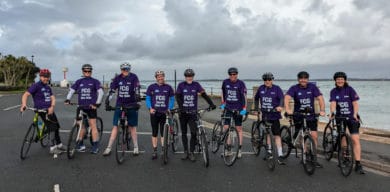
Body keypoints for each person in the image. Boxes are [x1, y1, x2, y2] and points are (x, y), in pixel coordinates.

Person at [284, 71, 326, 168]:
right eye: (301, 78)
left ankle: (313, 157)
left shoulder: (312, 87)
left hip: (311, 115)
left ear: (308, 79)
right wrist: (288, 109)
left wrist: (322, 110)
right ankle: (305, 154)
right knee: (302, 135)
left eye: (305, 78)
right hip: (298, 115)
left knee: (314, 136)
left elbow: (320, 98)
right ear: (298, 79)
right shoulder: (294, 88)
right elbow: (286, 97)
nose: (303, 80)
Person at [20, 69, 66, 154]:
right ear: (40, 77)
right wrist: (23, 104)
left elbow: (52, 98)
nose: (46, 78)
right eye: (44, 77)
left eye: (47, 77)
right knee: (52, 127)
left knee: (56, 126)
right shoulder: (36, 86)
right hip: (41, 110)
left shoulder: (48, 87)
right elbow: (25, 95)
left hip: (49, 109)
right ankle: (53, 148)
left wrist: (52, 106)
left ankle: (59, 145)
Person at [176, 68, 216, 161]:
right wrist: (182, 108)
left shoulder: (196, 85)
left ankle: (192, 152)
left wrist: (211, 104)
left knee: (194, 132)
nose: (189, 78)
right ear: (185, 77)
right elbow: (178, 97)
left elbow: (204, 95)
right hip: (183, 113)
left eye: (191, 76)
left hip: (193, 113)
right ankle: (186, 151)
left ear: (193, 76)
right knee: (184, 133)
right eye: (187, 76)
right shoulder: (181, 85)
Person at [330, 72, 365, 174]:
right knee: (343, 137)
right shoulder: (333, 91)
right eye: (338, 79)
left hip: (351, 117)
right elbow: (333, 103)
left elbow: (355, 104)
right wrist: (332, 112)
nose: (340, 81)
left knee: (355, 139)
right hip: (340, 117)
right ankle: (345, 157)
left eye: (342, 79)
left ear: (345, 80)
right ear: (335, 80)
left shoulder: (350, 89)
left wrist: (355, 114)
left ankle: (358, 164)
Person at [103, 62, 141, 156]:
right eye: (124, 69)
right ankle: (109, 147)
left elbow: (137, 89)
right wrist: (107, 101)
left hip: (131, 104)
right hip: (120, 104)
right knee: (115, 126)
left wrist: (137, 99)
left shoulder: (134, 77)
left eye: (127, 69)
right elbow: (112, 90)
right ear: (121, 70)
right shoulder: (117, 78)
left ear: (129, 69)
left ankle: (136, 147)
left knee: (132, 127)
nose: (125, 71)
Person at [65, 64, 104, 154]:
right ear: (83, 71)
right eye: (85, 71)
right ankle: (81, 144)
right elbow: (71, 91)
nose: (87, 72)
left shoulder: (95, 81)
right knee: (80, 126)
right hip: (81, 107)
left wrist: (97, 104)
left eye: (89, 71)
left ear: (91, 72)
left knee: (93, 125)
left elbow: (101, 93)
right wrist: (67, 99)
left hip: (91, 107)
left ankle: (95, 145)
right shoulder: (79, 81)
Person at [253, 72, 285, 164]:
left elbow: (282, 98)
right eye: (265, 80)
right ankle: (269, 152)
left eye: (269, 79)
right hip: (265, 115)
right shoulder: (261, 89)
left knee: (277, 135)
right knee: (268, 133)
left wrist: (280, 106)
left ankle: (280, 154)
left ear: (272, 80)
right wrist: (256, 108)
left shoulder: (277, 88)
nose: (267, 81)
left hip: (275, 116)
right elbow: (256, 98)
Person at [146, 70, 175, 160]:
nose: (160, 78)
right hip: (154, 113)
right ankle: (155, 151)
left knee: (163, 133)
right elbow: (148, 99)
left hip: (164, 113)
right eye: (158, 76)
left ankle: (163, 150)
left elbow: (172, 99)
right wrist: (150, 108)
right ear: (156, 78)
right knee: (154, 132)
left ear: (164, 77)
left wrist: (169, 108)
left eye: (161, 76)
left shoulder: (168, 87)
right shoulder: (151, 87)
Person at [221, 67, 247, 158]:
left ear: (237, 74)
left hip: (238, 109)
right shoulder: (225, 82)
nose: (233, 76)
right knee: (226, 128)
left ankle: (239, 149)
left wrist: (244, 109)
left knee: (239, 128)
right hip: (228, 108)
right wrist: (223, 103)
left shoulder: (241, 83)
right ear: (229, 75)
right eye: (231, 74)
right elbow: (223, 93)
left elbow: (244, 97)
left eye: (234, 74)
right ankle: (228, 149)